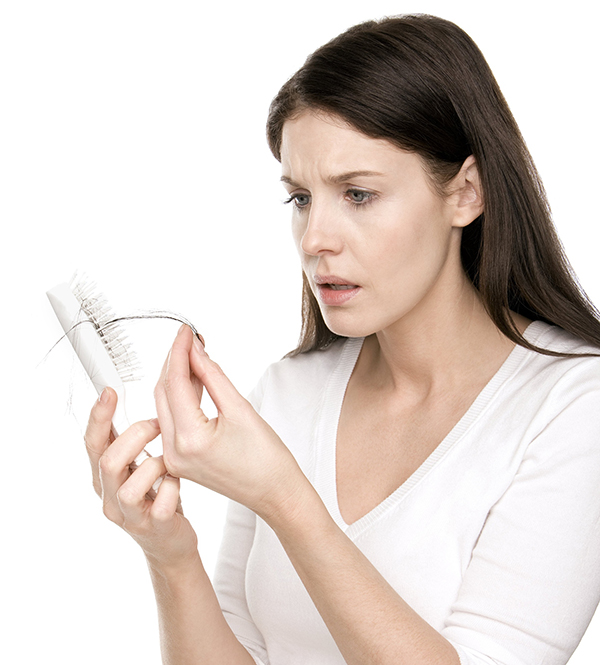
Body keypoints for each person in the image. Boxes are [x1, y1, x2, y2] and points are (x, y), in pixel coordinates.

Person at [84, 14, 600, 665]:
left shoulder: (572, 406)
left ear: (466, 193)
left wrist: (284, 496)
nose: (314, 239)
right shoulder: (289, 392)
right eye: (301, 198)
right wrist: (170, 554)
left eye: (357, 194)